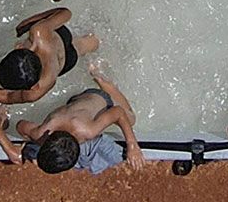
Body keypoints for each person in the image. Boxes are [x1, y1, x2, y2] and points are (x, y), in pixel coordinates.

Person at [15, 72, 143, 174]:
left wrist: (132, 144)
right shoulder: (42, 132)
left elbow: (118, 112)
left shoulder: (88, 131)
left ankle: (102, 80)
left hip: (99, 97)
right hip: (76, 103)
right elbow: (20, 126)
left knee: (130, 119)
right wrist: (32, 140)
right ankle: (94, 72)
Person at [0, 6, 98, 100]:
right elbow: (66, 13)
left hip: (66, 62)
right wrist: (32, 21)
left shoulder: (43, 84)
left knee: (80, 48)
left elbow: (8, 98)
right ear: (19, 48)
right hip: (59, 37)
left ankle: (94, 53)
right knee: (91, 40)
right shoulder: (39, 32)